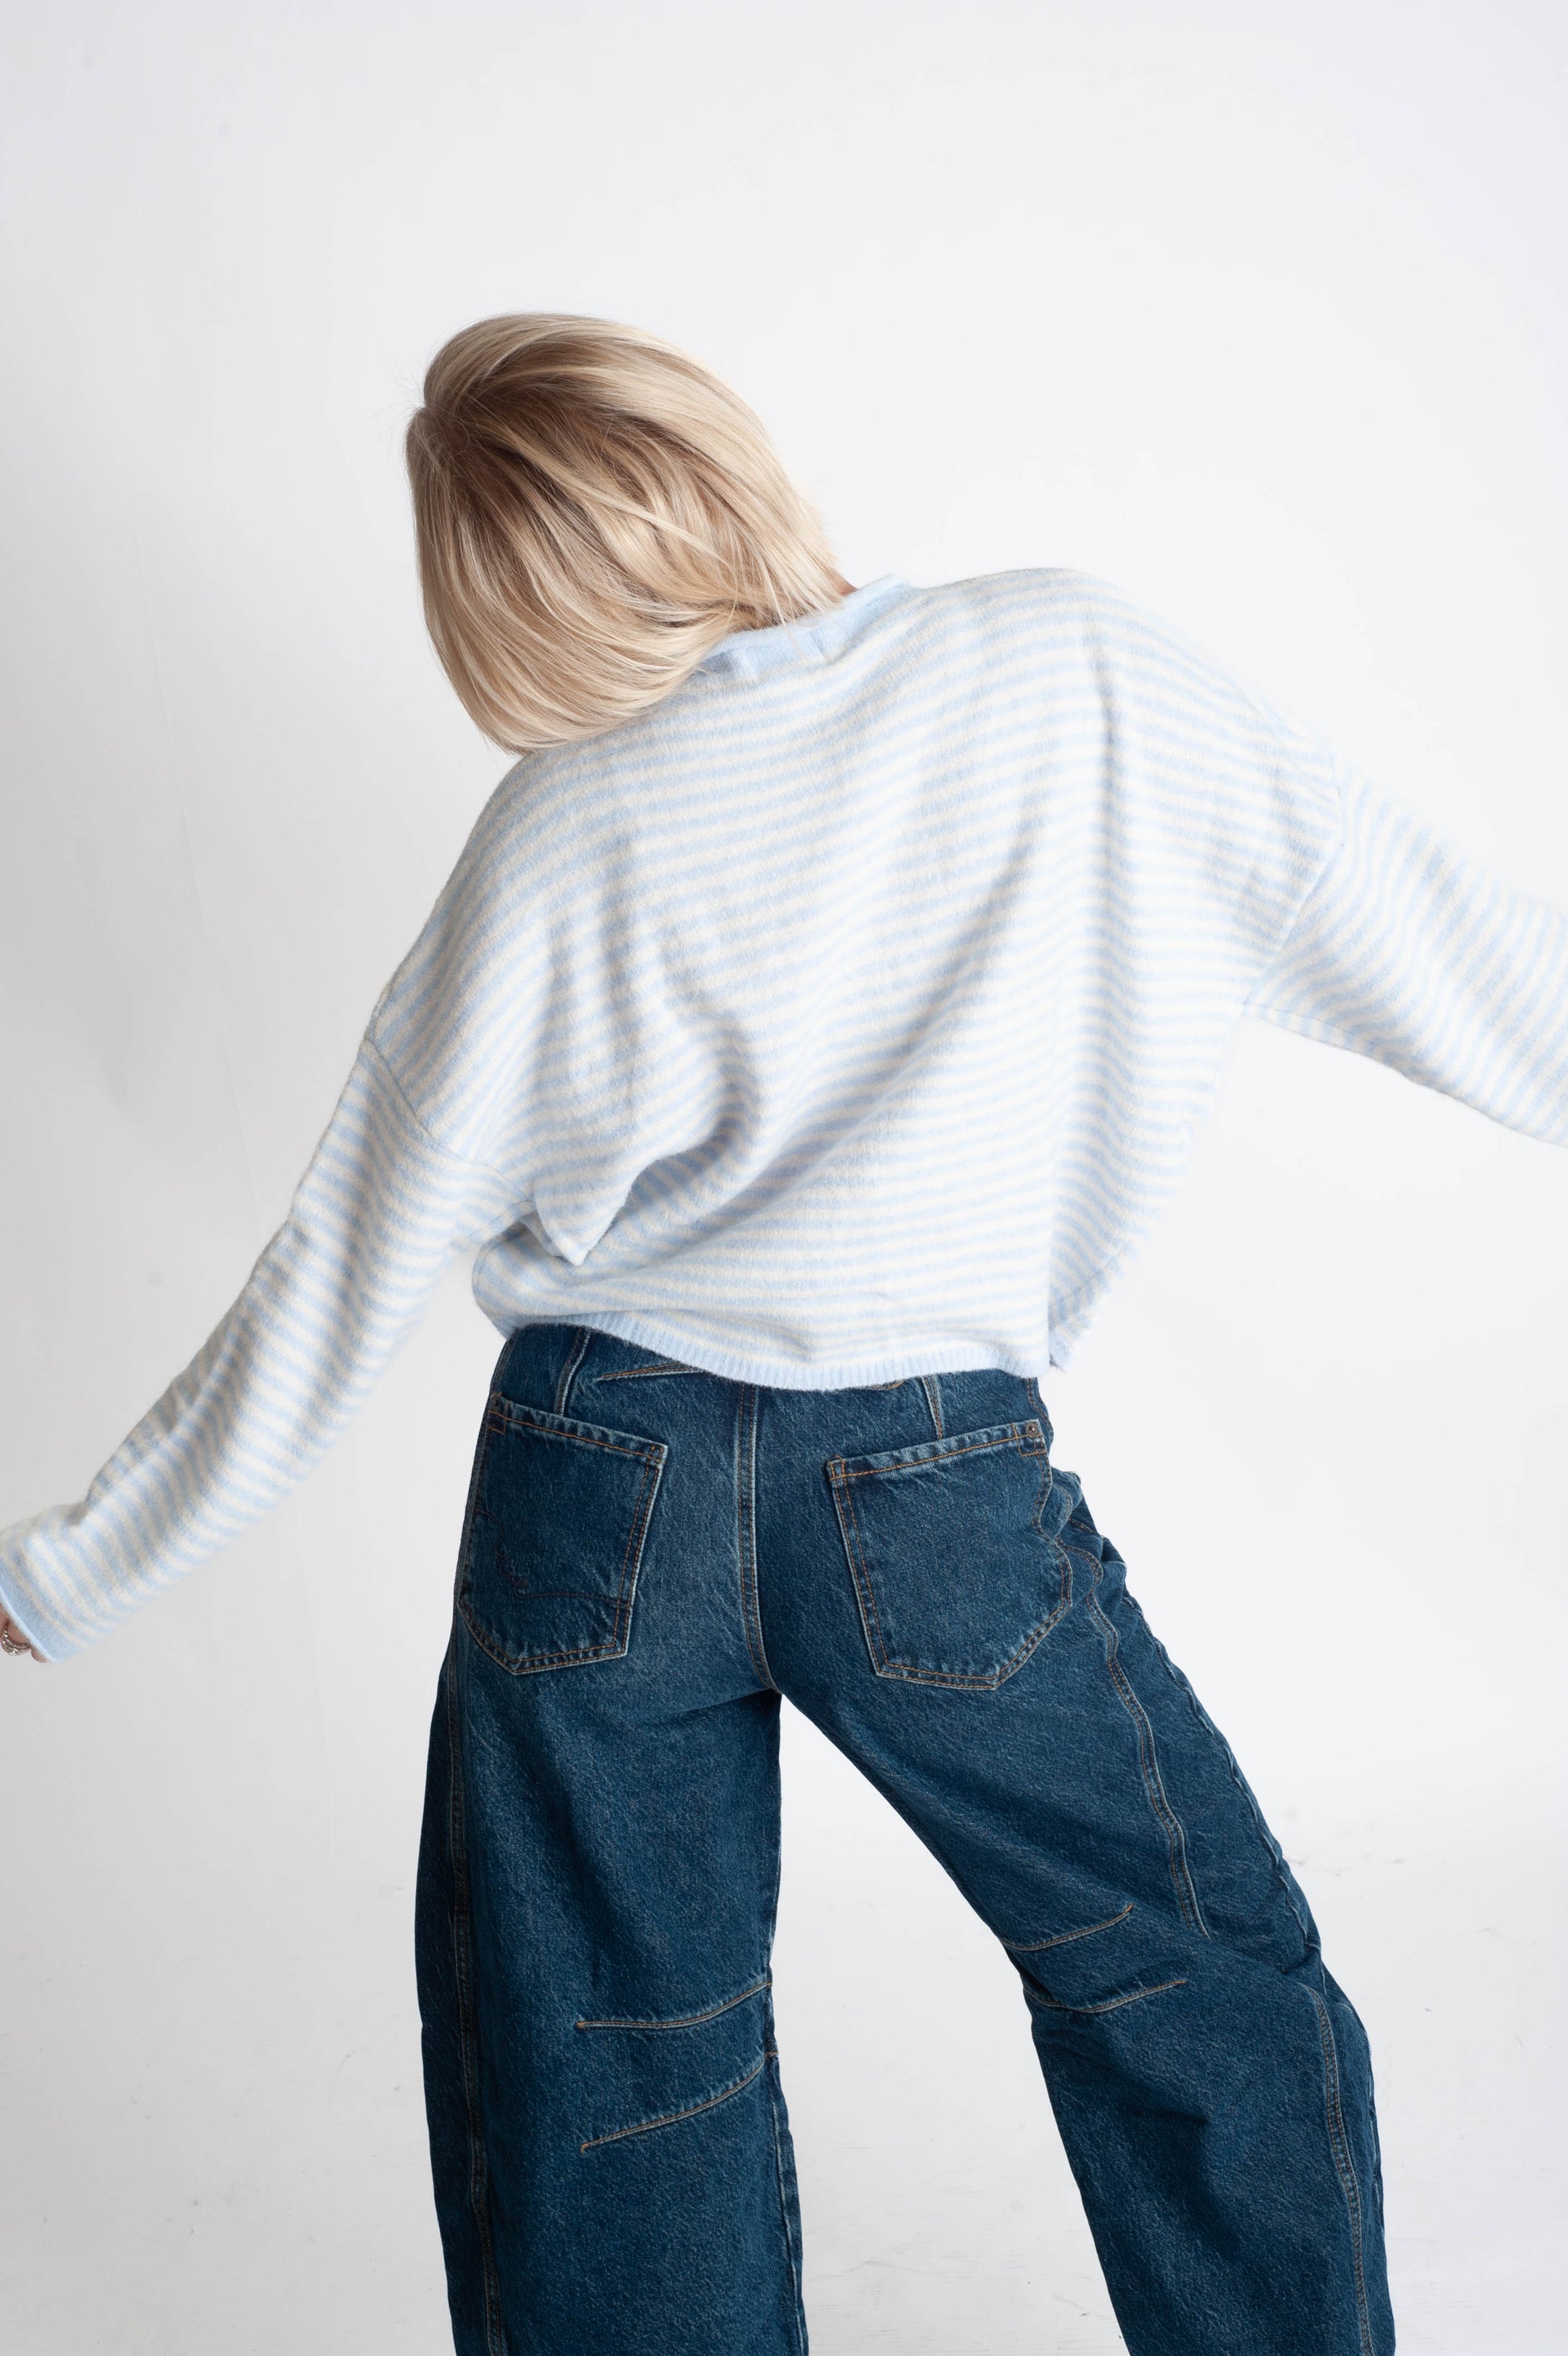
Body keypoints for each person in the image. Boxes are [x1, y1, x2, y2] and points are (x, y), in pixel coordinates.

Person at [3, 313, 1564, 2356]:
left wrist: (62, 1579)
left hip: (595, 1485)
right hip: (930, 1489)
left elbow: (342, 1258)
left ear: (505, 609)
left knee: (604, 2083)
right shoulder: (1066, 670)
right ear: (715, 451)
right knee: (1199, 1986)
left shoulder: (565, 832)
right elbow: (1427, 928)